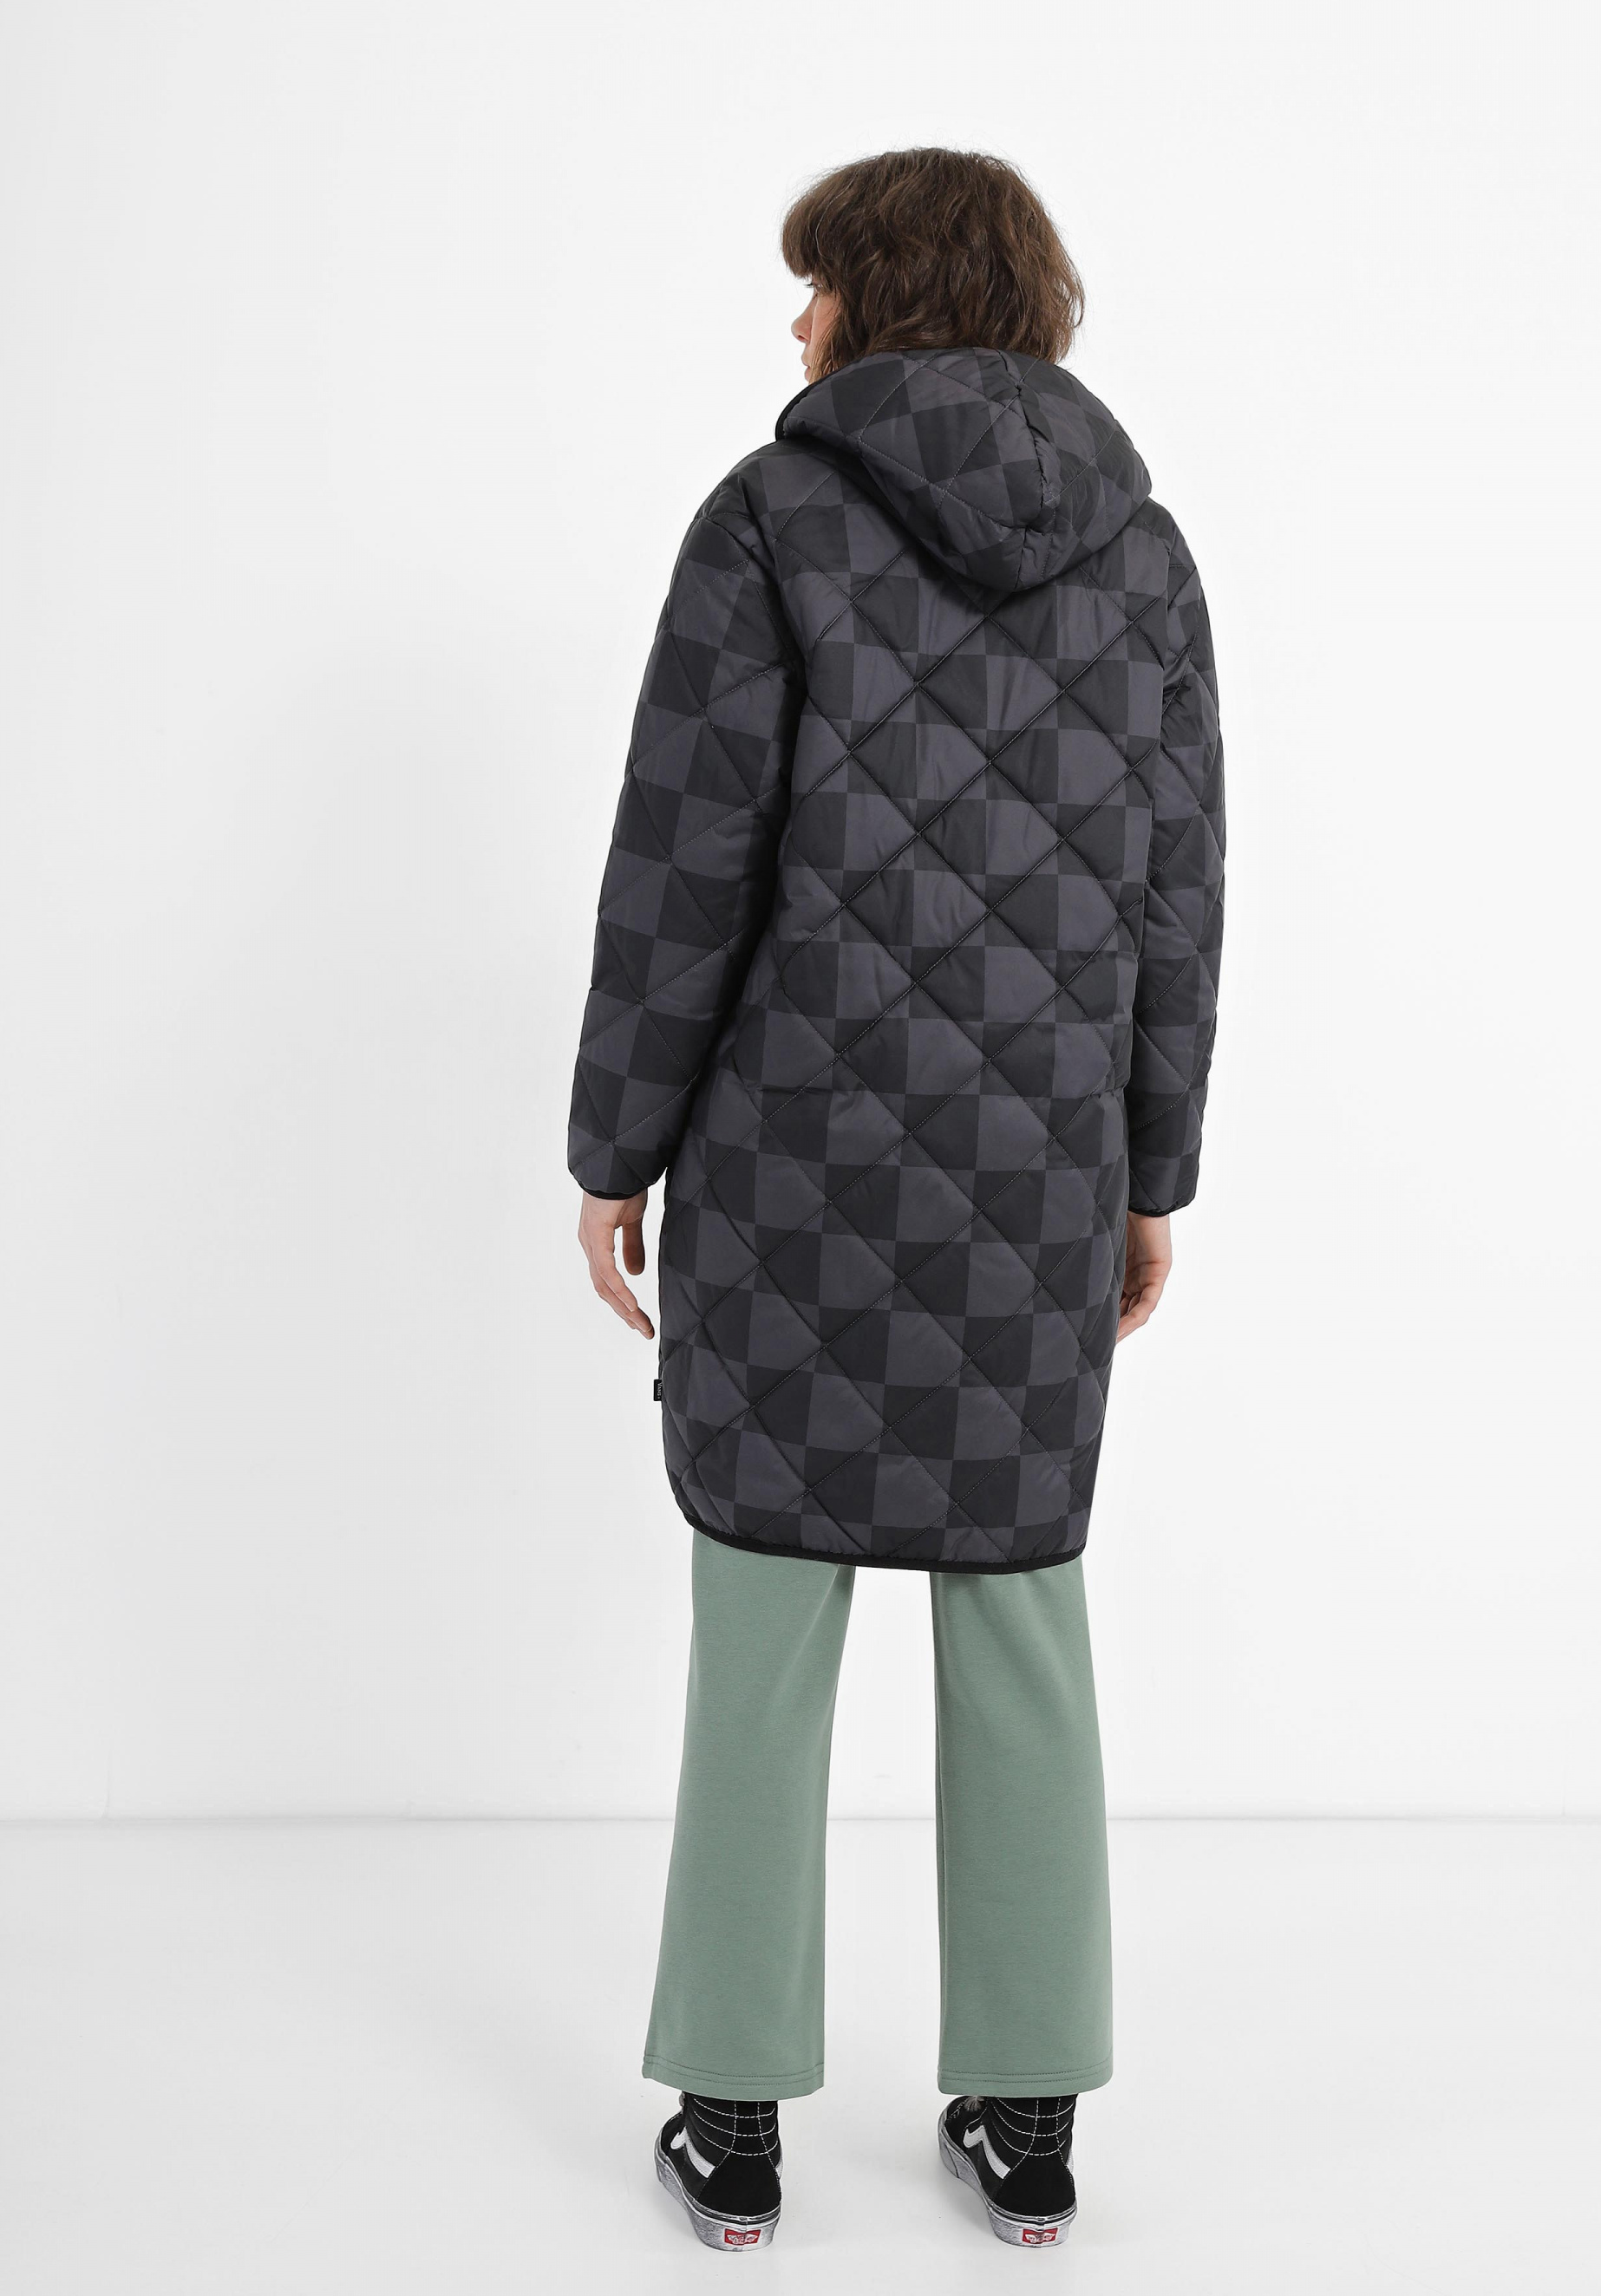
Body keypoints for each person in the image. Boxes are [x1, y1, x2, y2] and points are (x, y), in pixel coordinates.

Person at [567, 147, 1225, 2252]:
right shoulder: (1143, 552)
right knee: (1017, 1611)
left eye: (815, 285)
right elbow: (1174, 898)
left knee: (763, 1622)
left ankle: (731, 2115)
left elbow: (684, 863)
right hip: (1033, 1168)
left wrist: (614, 1146)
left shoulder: (769, 520)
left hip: (791, 1159)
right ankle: (1025, 2119)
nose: (794, 326)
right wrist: (1146, 1172)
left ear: (883, 293)